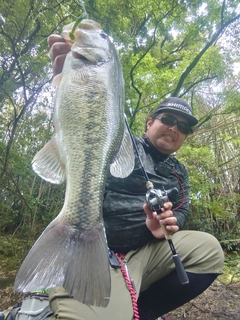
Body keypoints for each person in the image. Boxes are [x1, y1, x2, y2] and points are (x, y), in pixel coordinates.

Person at [40, 35, 224, 320]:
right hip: (98, 251)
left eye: (183, 127)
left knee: (209, 250)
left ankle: (145, 312)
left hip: (146, 254)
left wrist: (166, 224)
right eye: (168, 119)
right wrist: (73, 81)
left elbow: (183, 209)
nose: (175, 128)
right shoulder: (119, 140)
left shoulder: (179, 172)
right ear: (150, 122)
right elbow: (90, 122)